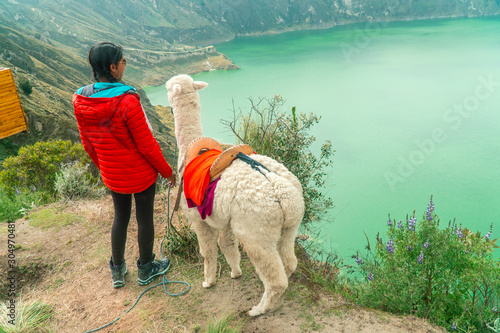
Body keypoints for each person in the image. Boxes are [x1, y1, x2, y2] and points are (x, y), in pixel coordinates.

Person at [73, 42, 176, 288]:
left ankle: (117, 271)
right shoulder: (127, 100)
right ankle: (146, 268)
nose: (124, 65)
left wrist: (105, 167)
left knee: (120, 218)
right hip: (140, 174)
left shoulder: (81, 99)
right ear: (113, 67)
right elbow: (147, 145)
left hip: (113, 174)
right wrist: (168, 172)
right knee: (144, 219)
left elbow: (88, 145)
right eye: (123, 62)